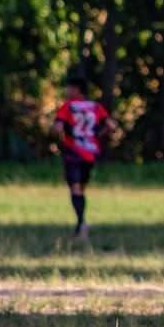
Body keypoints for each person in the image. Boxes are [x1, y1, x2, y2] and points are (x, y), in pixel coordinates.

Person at [53, 77, 115, 240]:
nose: (67, 91)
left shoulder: (69, 106)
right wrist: (95, 135)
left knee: (75, 188)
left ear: (76, 90)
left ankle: (81, 224)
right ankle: (81, 224)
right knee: (80, 189)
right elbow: (110, 126)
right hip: (91, 152)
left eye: (69, 88)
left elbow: (58, 127)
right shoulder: (95, 106)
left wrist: (63, 137)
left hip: (74, 152)